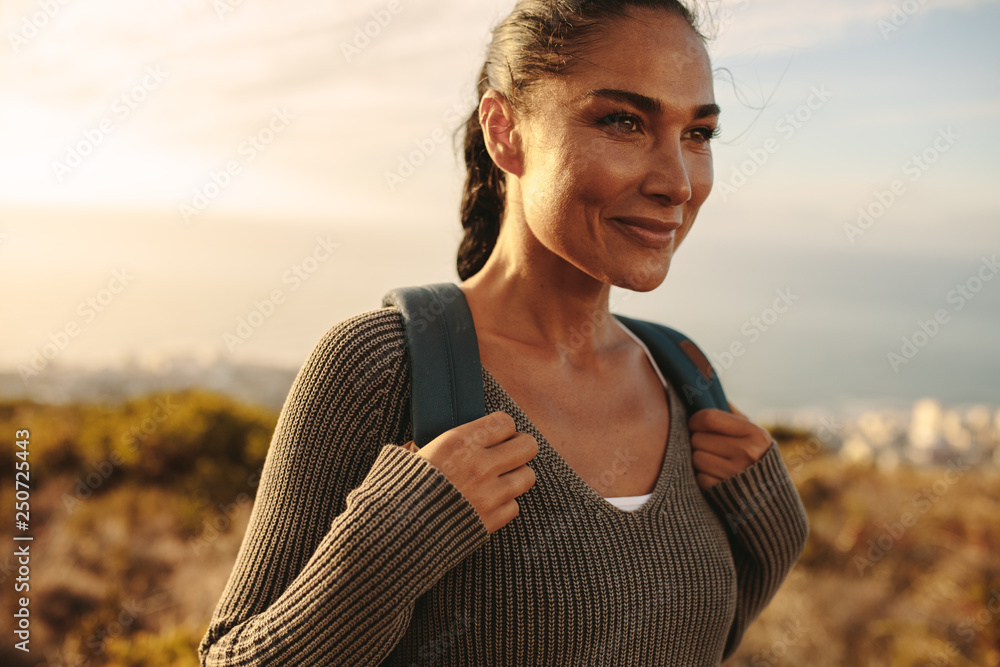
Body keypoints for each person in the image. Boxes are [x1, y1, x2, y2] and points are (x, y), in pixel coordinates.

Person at [198, 1, 809, 665]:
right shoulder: (379, 366)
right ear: (505, 131)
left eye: (698, 134)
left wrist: (773, 531)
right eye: (623, 122)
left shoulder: (684, 374)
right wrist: (397, 539)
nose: (678, 182)